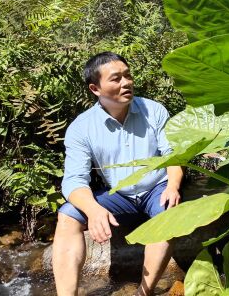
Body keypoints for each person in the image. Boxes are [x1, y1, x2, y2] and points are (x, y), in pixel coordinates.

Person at [52, 52, 183, 296]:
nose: (126, 83)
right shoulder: (82, 127)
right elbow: (74, 180)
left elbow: (173, 155)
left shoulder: (153, 111)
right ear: (95, 88)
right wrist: (93, 209)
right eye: (116, 79)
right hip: (118, 195)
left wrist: (173, 185)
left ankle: (144, 292)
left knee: (168, 213)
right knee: (68, 217)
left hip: (157, 189)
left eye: (128, 75)